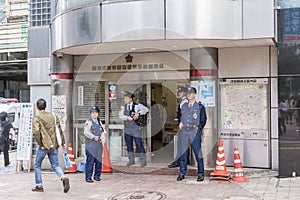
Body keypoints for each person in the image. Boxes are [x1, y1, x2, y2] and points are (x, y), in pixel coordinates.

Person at [31, 98, 70, 193]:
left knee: (37, 165)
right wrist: (62, 142)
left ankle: (39, 185)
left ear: (37, 107)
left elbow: (36, 131)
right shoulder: (53, 115)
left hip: (44, 146)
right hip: (54, 145)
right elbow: (59, 129)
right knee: (55, 164)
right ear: (46, 106)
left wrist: (41, 144)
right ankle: (63, 177)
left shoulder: (37, 117)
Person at [177, 87, 207, 182]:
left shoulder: (200, 106)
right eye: (187, 93)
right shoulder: (184, 106)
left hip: (194, 132)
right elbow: (181, 116)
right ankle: (182, 173)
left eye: (190, 93)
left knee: (198, 153)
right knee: (183, 153)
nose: (188, 95)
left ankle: (200, 174)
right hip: (185, 132)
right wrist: (181, 122)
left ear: (194, 94)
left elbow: (203, 119)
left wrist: (198, 127)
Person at [119, 91, 149, 167]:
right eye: (124, 98)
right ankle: (131, 160)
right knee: (129, 145)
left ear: (130, 99)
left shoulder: (137, 105)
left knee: (139, 144)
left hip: (135, 128)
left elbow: (146, 110)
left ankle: (143, 160)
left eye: (126, 98)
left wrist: (138, 113)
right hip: (127, 128)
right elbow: (120, 115)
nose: (124, 100)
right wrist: (126, 117)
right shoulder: (123, 107)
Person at [83, 106, 106, 183]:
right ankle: (88, 177)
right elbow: (86, 132)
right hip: (91, 144)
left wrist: (103, 134)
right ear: (90, 114)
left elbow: (103, 130)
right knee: (90, 161)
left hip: (99, 144)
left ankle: (97, 176)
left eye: (96, 112)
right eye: (93, 113)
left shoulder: (99, 121)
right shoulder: (88, 122)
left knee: (99, 160)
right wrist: (93, 137)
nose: (94, 114)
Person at [168, 86, 188, 168]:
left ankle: (178, 161)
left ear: (185, 93)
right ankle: (180, 161)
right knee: (181, 145)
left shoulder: (185, 102)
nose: (179, 93)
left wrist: (182, 122)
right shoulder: (182, 102)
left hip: (183, 127)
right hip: (182, 127)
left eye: (181, 92)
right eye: (178, 92)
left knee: (181, 145)